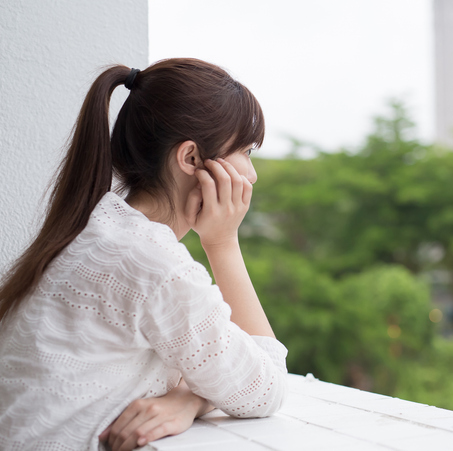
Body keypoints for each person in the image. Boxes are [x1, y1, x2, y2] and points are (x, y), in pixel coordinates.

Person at [0, 58, 288, 451]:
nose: (251, 174)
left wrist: (190, 397)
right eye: (247, 151)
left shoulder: (94, 229)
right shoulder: (151, 262)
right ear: (191, 158)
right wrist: (222, 243)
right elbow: (265, 387)